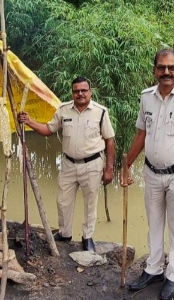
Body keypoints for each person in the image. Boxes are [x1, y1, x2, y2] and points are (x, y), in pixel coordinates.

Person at [120, 49, 174, 300]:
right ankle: (154, 269)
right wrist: (126, 165)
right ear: (154, 70)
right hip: (151, 173)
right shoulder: (146, 97)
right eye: (161, 67)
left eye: (171, 67)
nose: (166, 72)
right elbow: (141, 135)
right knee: (154, 223)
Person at [18, 77, 115, 253]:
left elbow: (109, 140)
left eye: (84, 90)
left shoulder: (100, 112)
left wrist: (109, 169)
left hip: (92, 164)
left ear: (90, 92)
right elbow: (49, 130)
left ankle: (87, 237)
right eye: (76, 91)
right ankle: (65, 233)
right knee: (63, 201)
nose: (80, 94)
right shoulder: (63, 110)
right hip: (68, 164)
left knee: (90, 203)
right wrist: (29, 121)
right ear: (72, 93)